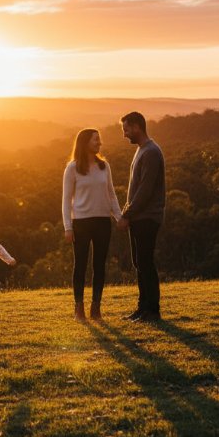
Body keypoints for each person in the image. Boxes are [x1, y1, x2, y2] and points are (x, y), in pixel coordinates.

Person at [62, 128, 123, 321]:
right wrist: (68, 227)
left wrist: (119, 217)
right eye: (96, 140)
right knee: (80, 265)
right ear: (85, 142)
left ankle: (96, 307)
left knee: (99, 266)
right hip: (80, 222)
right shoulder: (72, 168)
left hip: (103, 221)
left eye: (100, 140)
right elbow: (65, 200)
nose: (100, 143)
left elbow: (111, 194)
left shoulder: (104, 166)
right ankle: (78, 308)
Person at [116, 112, 166, 322]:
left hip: (147, 217)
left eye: (126, 129)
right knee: (139, 262)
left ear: (137, 127)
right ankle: (142, 308)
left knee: (145, 262)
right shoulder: (142, 151)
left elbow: (144, 191)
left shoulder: (151, 152)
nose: (125, 134)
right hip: (139, 217)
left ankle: (152, 310)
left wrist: (126, 214)